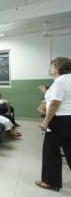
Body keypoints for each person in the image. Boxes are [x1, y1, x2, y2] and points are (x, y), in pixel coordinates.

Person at [36, 57, 71, 192]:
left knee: (51, 150)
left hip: (59, 120)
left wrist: (45, 122)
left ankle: (50, 182)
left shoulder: (60, 82)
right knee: (69, 149)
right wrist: (47, 94)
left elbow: (55, 104)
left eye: (52, 66)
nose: (50, 68)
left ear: (58, 67)